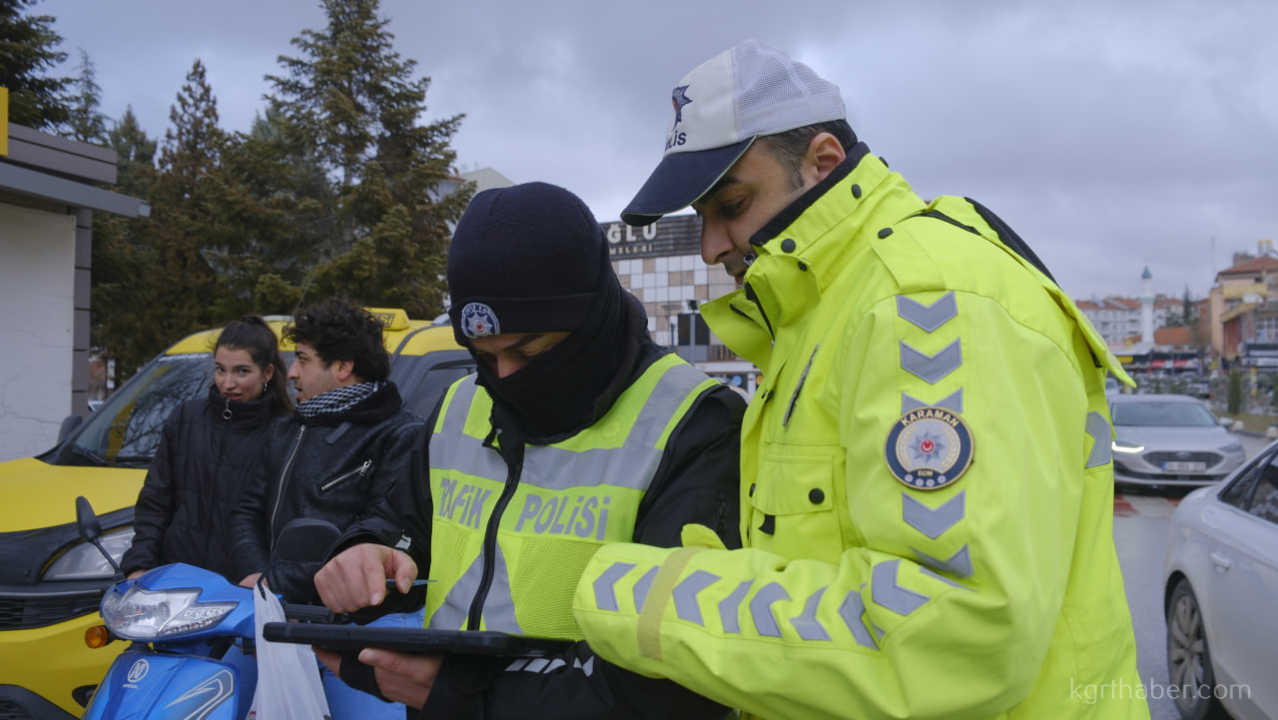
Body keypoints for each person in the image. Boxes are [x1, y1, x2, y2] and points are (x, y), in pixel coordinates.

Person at [571, 40, 1151, 719]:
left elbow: (948, 638)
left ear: (821, 162)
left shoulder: (923, 304)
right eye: (701, 218)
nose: (710, 246)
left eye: (731, 204)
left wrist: (642, 598)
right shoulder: (831, 309)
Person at [310, 181, 745, 718]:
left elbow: (676, 682)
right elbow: (403, 522)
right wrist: (369, 550)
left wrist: (467, 697)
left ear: (592, 320)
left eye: (529, 351)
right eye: (483, 354)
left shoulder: (695, 423)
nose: (504, 377)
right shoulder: (460, 404)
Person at [228, 298, 428, 718]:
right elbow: (246, 509)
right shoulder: (288, 429)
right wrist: (259, 580)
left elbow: (378, 536)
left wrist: (275, 582)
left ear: (343, 367)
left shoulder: (400, 435)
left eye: (302, 360)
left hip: (359, 635)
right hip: (275, 621)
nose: (292, 373)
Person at [121, 315, 291, 582]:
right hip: (175, 578)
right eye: (220, 369)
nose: (227, 383)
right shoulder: (186, 418)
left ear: (267, 373)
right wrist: (139, 566)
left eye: (242, 371)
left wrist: (266, 578)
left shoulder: (285, 431)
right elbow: (155, 502)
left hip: (244, 586)